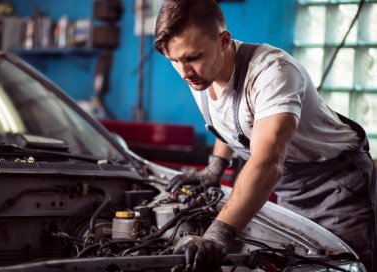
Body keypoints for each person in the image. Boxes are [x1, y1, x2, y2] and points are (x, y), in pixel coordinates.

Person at [154, 0, 376, 271]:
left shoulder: (274, 73)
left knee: (345, 266)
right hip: (288, 190)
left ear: (224, 41)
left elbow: (267, 162)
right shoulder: (203, 73)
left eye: (192, 57)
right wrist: (214, 168)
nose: (184, 72)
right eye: (173, 60)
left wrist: (219, 233)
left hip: (336, 188)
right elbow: (230, 121)